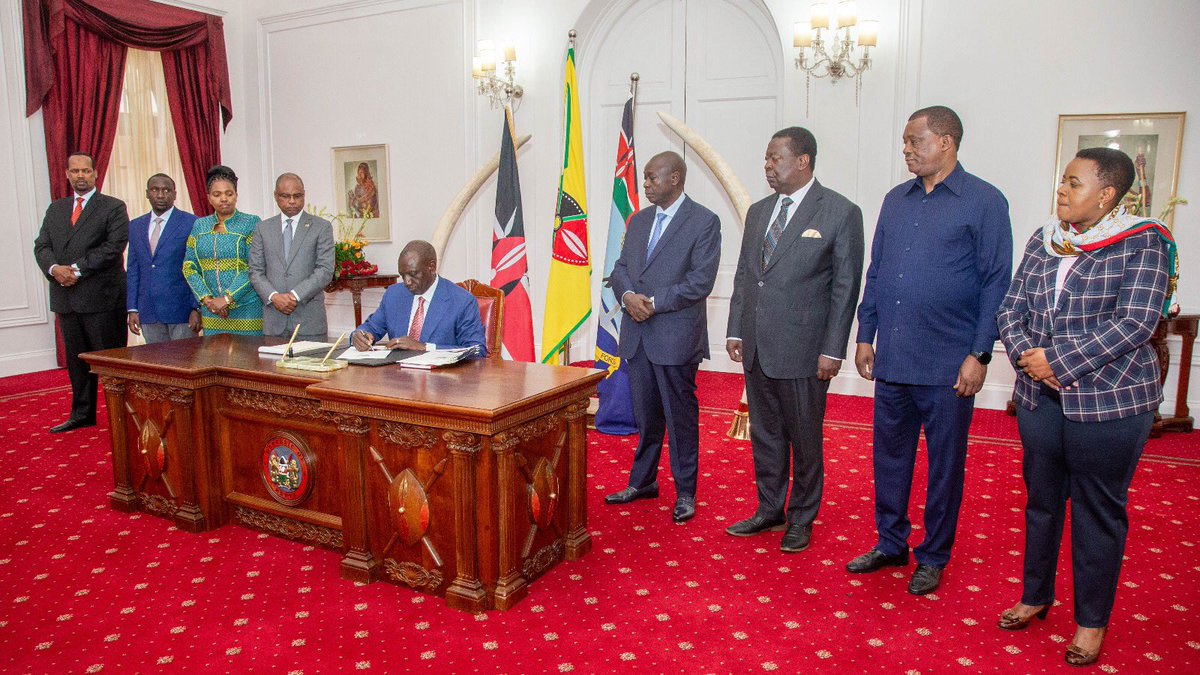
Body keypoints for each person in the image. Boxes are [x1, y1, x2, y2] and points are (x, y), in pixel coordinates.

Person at [995, 147, 1174, 667]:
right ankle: (1036, 595)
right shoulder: (1045, 238)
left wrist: (1059, 361)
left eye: (1073, 183)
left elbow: (1137, 322)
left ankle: (1091, 623)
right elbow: (1011, 306)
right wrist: (1030, 357)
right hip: (1038, 395)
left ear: (1107, 195)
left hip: (1111, 400)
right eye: (1063, 182)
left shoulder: (1143, 242)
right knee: (1042, 500)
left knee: (1097, 511)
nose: (1062, 191)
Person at [848, 106, 1013, 595]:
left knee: (945, 465)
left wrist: (979, 354)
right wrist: (865, 333)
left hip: (948, 364)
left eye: (915, 141)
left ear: (946, 142)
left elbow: (995, 283)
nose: (907, 150)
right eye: (904, 142)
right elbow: (876, 273)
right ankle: (891, 542)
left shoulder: (984, 201)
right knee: (889, 459)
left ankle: (934, 554)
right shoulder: (895, 201)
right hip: (894, 356)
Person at [724, 127, 864, 552]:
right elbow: (747, 274)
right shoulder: (759, 211)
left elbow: (845, 286)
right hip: (758, 347)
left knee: (804, 439)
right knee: (765, 435)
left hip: (805, 352)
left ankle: (802, 517)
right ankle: (769, 509)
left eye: (774, 158)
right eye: (766, 159)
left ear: (803, 160)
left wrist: (832, 349)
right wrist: (735, 327)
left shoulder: (840, 211)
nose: (767, 166)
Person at [603, 152, 721, 524]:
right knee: (646, 416)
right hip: (637, 336)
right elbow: (621, 268)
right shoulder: (639, 221)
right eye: (646, 178)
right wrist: (626, 297)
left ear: (676, 178)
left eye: (653, 178)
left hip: (675, 338)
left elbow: (700, 282)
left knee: (680, 418)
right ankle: (643, 482)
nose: (647, 184)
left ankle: (686, 491)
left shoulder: (703, 221)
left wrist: (651, 302)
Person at [32, 152, 129, 433]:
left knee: (110, 364)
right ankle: (82, 414)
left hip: (101, 298)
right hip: (67, 299)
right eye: (75, 171)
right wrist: (54, 269)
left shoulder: (112, 207)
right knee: (77, 363)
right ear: (67, 174)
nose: (80, 176)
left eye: (85, 171)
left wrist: (74, 269)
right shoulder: (56, 209)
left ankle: (120, 416)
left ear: (95, 174)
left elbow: (113, 248)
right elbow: (42, 246)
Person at [351, 240, 486, 354]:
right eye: (402, 275)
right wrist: (360, 336)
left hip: (441, 382)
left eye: (413, 274)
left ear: (431, 267)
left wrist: (425, 348)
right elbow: (371, 327)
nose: (406, 281)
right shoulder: (394, 295)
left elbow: (476, 350)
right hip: (397, 380)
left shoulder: (461, 301)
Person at [249, 173, 335, 341]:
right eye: (285, 196)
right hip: (273, 321)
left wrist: (294, 296)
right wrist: (274, 297)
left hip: (309, 320)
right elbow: (255, 271)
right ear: (276, 196)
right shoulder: (262, 228)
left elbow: (325, 270)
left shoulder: (321, 227)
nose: (292, 201)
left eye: (297, 196)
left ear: (304, 195)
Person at [183, 166, 263, 336]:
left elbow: (254, 267)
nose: (224, 199)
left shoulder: (251, 223)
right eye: (217, 194)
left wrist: (227, 299)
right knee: (214, 358)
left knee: (247, 360)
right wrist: (208, 300)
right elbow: (189, 266)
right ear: (209, 198)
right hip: (211, 312)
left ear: (236, 195)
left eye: (229, 193)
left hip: (246, 307)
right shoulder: (199, 226)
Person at [126, 174, 200, 343]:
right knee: (157, 365)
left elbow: (198, 268)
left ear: (175, 194)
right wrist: (132, 309)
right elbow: (133, 270)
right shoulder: (135, 226)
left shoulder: (191, 223)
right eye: (155, 190)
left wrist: (196, 307)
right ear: (147, 193)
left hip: (182, 311)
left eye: (166, 190)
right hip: (148, 310)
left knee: (184, 364)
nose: (160, 195)